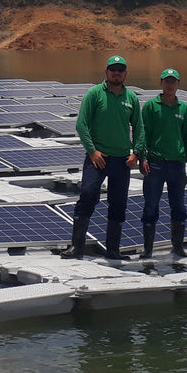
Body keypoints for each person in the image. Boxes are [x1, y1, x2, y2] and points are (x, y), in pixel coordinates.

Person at [62, 55, 141, 260]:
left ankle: (113, 251)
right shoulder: (94, 94)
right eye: (113, 69)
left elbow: (140, 128)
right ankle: (76, 247)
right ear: (106, 72)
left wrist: (137, 154)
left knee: (118, 203)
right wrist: (92, 151)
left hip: (122, 160)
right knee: (88, 194)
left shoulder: (131, 98)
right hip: (98, 158)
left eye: (120, 70)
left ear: (125, 73)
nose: (117, 73)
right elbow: (81, 124)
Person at [134, 68, 187, 259]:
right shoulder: (151, 106)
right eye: (167, 81)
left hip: (177, 164)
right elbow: (143, 134)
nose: (170, 84)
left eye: (173, 81)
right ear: (161, 83)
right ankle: (148, 250)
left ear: (178, 84)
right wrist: (142, 157)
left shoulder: (183, 109)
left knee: (179, 206)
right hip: (155, 163)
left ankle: (178, 247)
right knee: (151, 205)